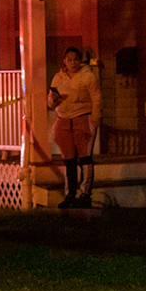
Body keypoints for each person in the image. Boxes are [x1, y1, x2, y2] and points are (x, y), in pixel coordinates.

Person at [48, 47, 101, 208]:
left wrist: (94, 120)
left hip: (82, 118)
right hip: (63, 120)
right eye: (69, 60)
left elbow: (97, 99)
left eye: (75, 59)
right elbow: (50, 102)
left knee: (84, 159)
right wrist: (53, 100)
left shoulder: (89, 77)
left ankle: (85, 194)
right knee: (69, 160)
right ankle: (70, 194)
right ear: (64, 61)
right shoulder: (58, 77)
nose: (72, 63)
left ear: (80, 60)